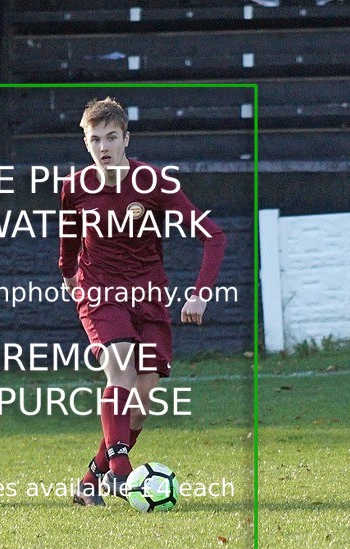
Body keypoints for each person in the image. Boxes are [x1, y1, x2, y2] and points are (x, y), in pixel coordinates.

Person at [59, 98, 227, 506]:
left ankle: (89, 481)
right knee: (119, 365)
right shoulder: (75, 188)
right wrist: (69, 277)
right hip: (101, 292)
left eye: (111, 137)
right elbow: (68, 243)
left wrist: (200, 294)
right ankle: (120, 471)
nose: (104, 147)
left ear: (126, 139)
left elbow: (213, 236)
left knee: (141, 401)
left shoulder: (154, 183)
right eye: (95, 139)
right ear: (86, 143)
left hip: (148, 295)